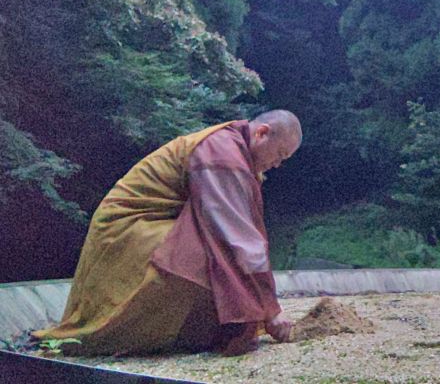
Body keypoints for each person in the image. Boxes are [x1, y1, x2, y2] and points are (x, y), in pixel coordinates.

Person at [33, 110, 302, 356]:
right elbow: (236, 235)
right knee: (196, 258)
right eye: (279, 155)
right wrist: (271, 310)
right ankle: (130, 335)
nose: (277, 164)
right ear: (262, 133)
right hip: (128, 226)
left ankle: (201, 334)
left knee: (214, 259)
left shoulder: (234, 150)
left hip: (156, 221)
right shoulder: (222, 152)